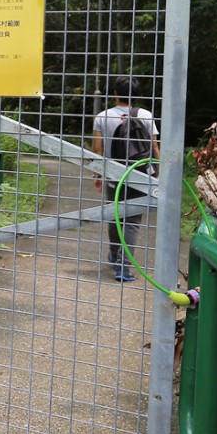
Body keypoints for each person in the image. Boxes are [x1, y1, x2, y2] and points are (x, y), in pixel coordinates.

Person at [91, 76, 161, 282]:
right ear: (136, 95)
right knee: (132, 222)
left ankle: (114, 255)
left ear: (115, 93)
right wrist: (157, 171)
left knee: (115, 216)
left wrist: (98, 174)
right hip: (140, 173)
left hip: (114, 174)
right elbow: (154, 147)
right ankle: (123, 268)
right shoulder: (146, 115)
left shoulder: (102, 116)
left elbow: (97, 149)